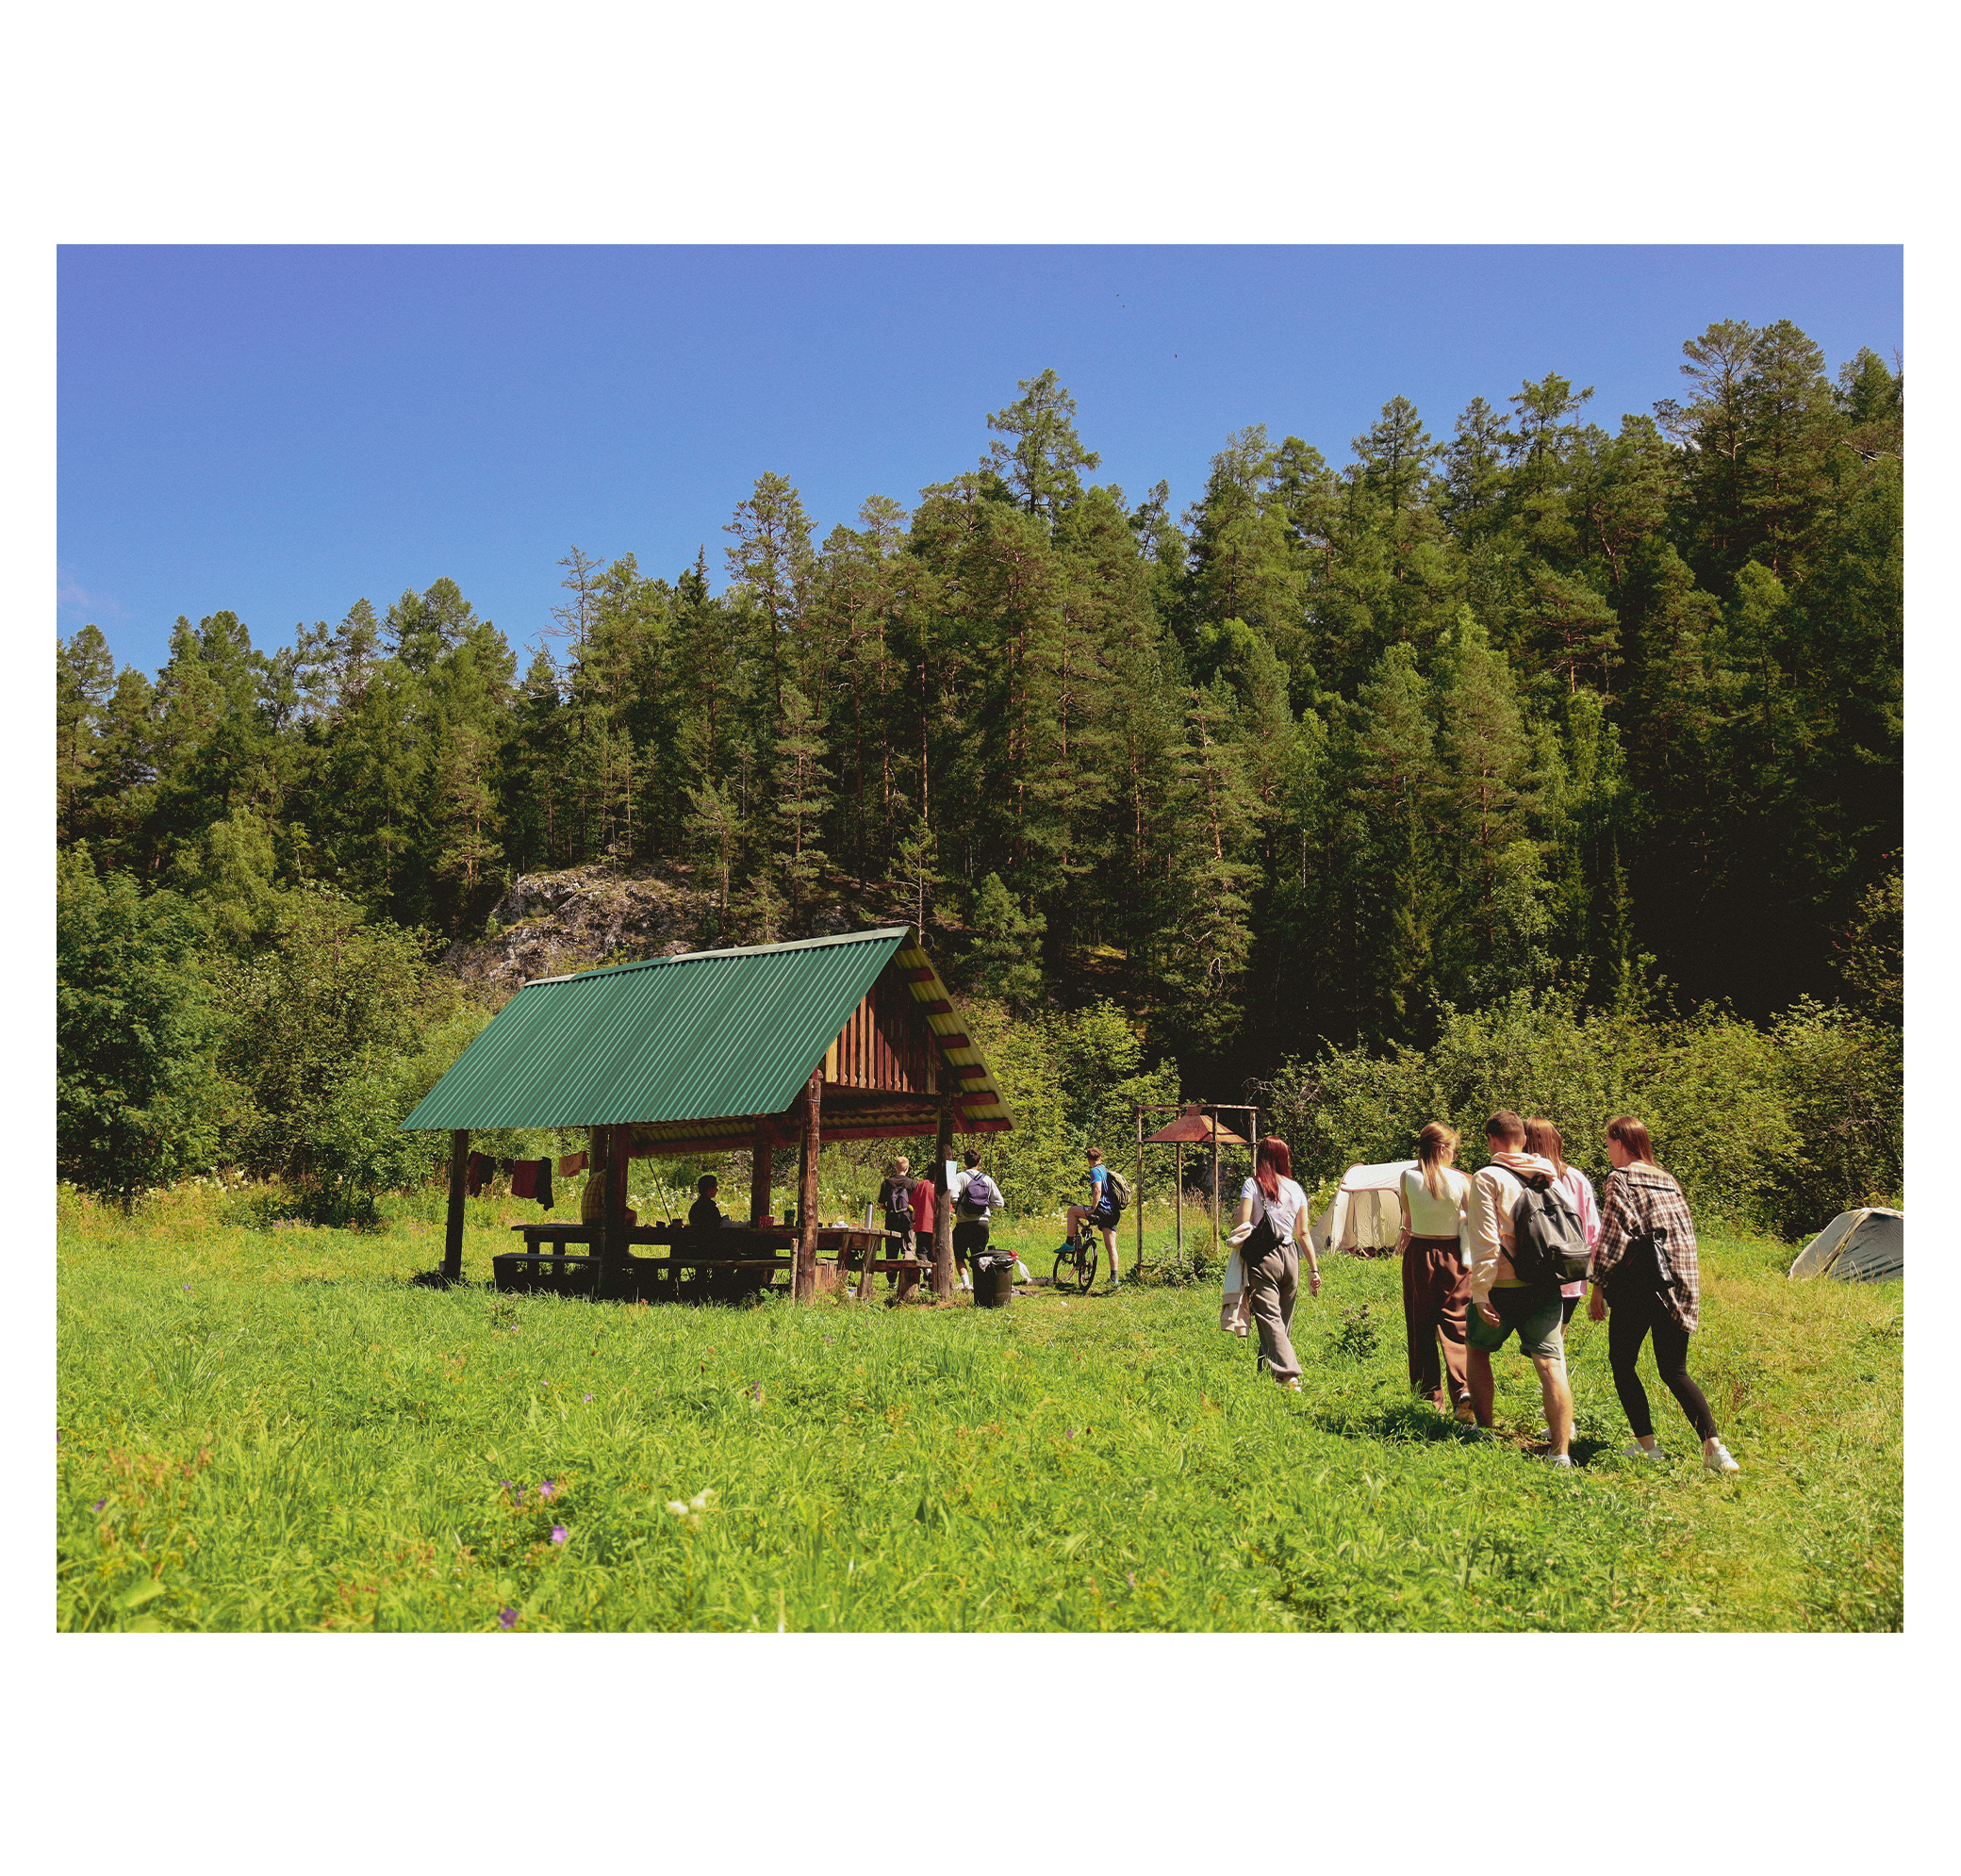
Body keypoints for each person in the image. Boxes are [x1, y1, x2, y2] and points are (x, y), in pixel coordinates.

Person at [1588, 1115, 1740, 1473]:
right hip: (1678, 1283)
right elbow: (1683, 1236)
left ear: (1620, 1142)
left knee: (1623, 1364)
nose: (1608, 1152)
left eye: (1608, 1145)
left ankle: (1648, 1447)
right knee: (1675, 1370)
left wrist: (1598, 1286)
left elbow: (1613, 1235)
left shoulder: (1620, 1179)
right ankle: (1715, 1450)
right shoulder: (1667, 1180)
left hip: (1638, 1286)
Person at [1465, 1111, 1574, 1464]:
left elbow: (1484, 1240)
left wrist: (1480, 1293)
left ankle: (1484, 1428)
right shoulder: (1548, 1175)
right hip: (1545, 1282)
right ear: (1524, 1141)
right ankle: (1560, 1453)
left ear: (1491, 1140)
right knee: (1551, 1365)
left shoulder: (1487, 1178)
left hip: (1502, 1284)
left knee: (1477, 1349)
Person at [1394, 1123, 1474, 1421]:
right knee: (1457, 1324)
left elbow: (1409, 1213)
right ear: (1442, 1150)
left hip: (1419, 1255)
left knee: (1420, 1325)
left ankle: (1429, 1401)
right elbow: (1470, 1216)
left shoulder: (1407, 1177)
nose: (1454, 1156)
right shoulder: (1459, 1180)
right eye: (1453, 1151)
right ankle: (1464, 1391)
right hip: (1453, 1255)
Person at [1231, 1135, 1316, 1391]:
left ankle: (1290, 1375)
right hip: (1291, 1258)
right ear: (1284, 1158)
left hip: (1264, 1257)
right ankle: (1266, 1372)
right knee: (1282, 1321)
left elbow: (1244, 1224)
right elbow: (1303, 1233)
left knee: (1270, 1318)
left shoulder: (1252, 1184)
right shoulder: (1296, 1188)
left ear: (1261, 1157)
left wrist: (1237, 1216)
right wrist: (1314, 1269)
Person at [1524, 1118, 1599, 1333]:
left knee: (1540, 1345)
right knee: (1557, 1340)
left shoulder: (1523, 1179)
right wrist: (1598, 1282)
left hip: (1534, 1275)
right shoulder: (1576, 1179)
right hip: (1571, 1273)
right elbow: (1593, 1232)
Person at [1065, 1147, 1122, 1291]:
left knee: (1072, 1211)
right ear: (1100, 1158)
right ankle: (1114, 1278)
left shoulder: (1095, 1171)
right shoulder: (1106, 1170)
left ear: (1089, 1160)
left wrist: (1093, 1208)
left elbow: (1097, 1189)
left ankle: (1070, 1242)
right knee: (1112, 1247)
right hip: (1113, 1212)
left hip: (1102, 1210)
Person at [952, 1150, 1004, 1293]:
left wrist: (963, 1204)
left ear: (965, 1162)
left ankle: (966, 1285)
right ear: (980, 1162)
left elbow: (953, 1198)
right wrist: (984, 1205)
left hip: (963, 1223)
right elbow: (1000, 1203)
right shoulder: (987, 1179)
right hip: (982, 1223)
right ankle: (979, 1285)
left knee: (959, 1255)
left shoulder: (960, 1177)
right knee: (979, 1255)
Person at [877, 1158, 915, 1259]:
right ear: (907, 1168)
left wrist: (889, 1209)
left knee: (891, 1253)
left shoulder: (887, 1183)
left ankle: (891, 1274)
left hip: (891, 1221)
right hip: (907, 1222)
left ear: (895, 1168)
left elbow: (881, 1204)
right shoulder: (912, 1183)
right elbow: (916, 1205)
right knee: (908, 1250)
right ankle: (907, 1273)